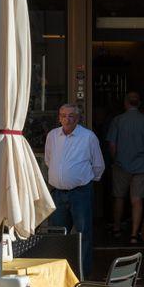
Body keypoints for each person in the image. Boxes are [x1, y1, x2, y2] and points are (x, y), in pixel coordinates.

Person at [44, 104, 104, 276]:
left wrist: (82, 181)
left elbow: (98, 165)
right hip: (57, 192)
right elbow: (49, 160)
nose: (67, 119)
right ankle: (60, 273)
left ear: (78, 119)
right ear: (59, 117)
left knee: (83, 234)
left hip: (80, 192)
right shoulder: (53, 136)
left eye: (71, 116)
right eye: (63, 116)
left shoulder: (88, 137)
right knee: (58, 234)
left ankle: (81, 274)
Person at [106, 92, 144, 244]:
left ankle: (116, 229)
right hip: (141, 166)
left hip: (121, 164)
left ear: (125, 103)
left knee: (119, 197)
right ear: (139, 103)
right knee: (137, 200)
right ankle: (134, 235)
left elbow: (112, 144)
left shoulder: (118, 120)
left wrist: (115, 160)